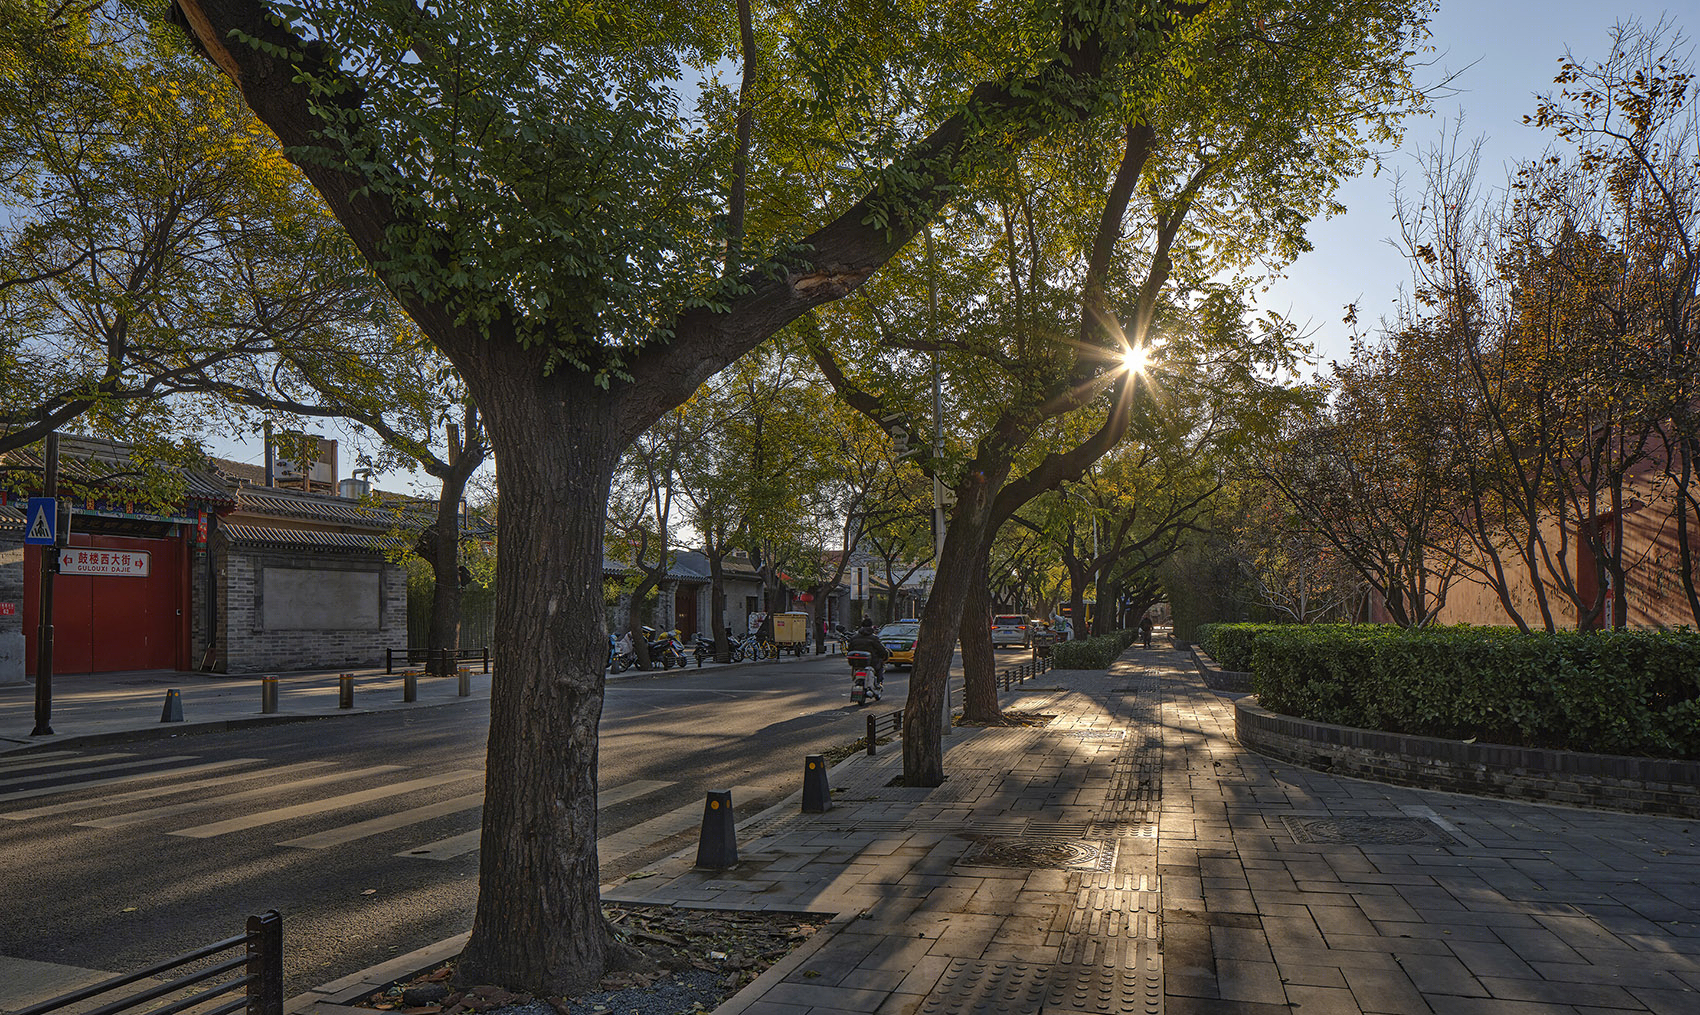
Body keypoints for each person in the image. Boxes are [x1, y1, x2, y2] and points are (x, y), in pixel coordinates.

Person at [845, 617, 890, 691]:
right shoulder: (873, 638)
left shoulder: (854, 637)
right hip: (872, 662)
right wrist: (884, 656)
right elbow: (881, 650)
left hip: (856, 662)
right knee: (880, 666)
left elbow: (850, 649)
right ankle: (878, 683)